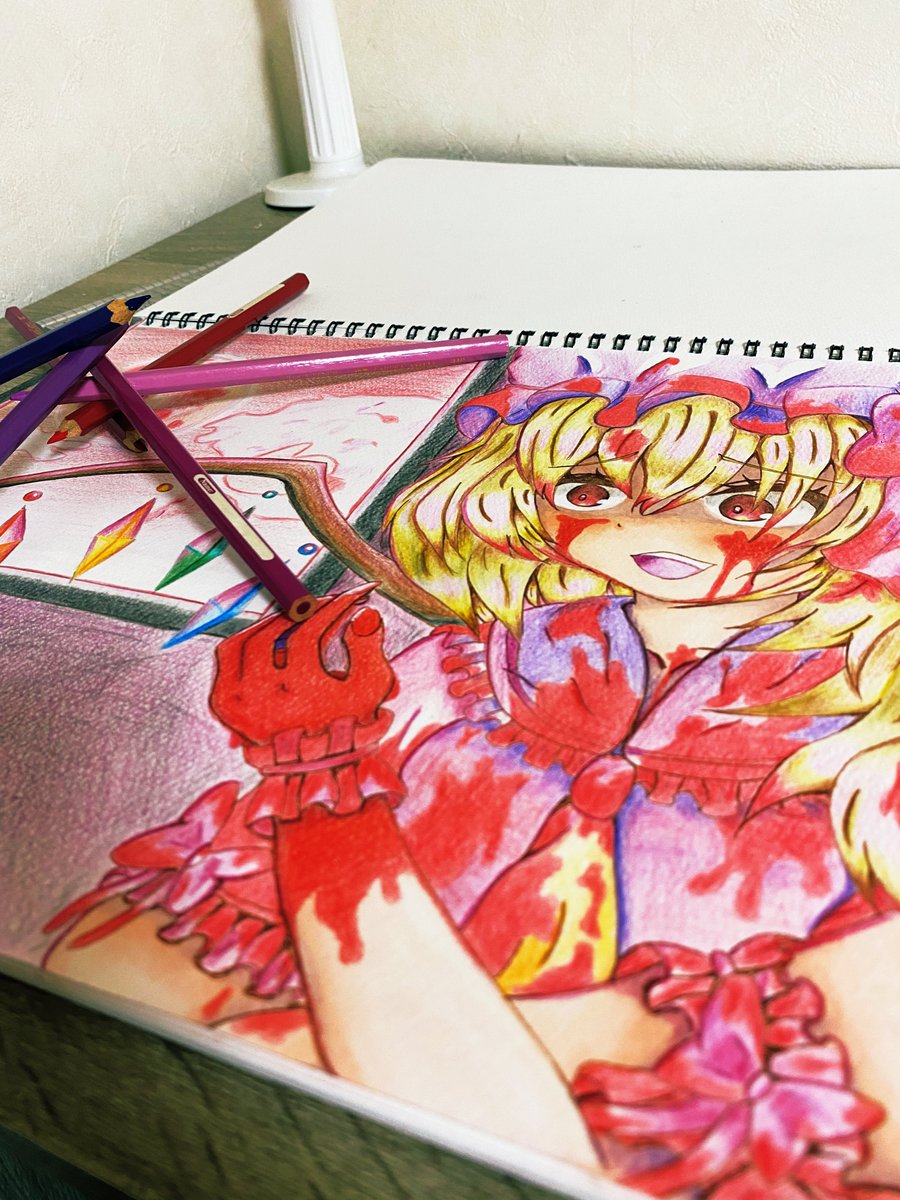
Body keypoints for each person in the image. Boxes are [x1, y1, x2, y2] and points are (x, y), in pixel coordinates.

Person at [44, 353, 900, 1196]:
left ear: (851, 515)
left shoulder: (856, 713)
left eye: (743, 504)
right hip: (390, 948)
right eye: (591, 493)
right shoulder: (478, 662)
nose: (651, 531)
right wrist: (319, 756)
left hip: (651, 1048)